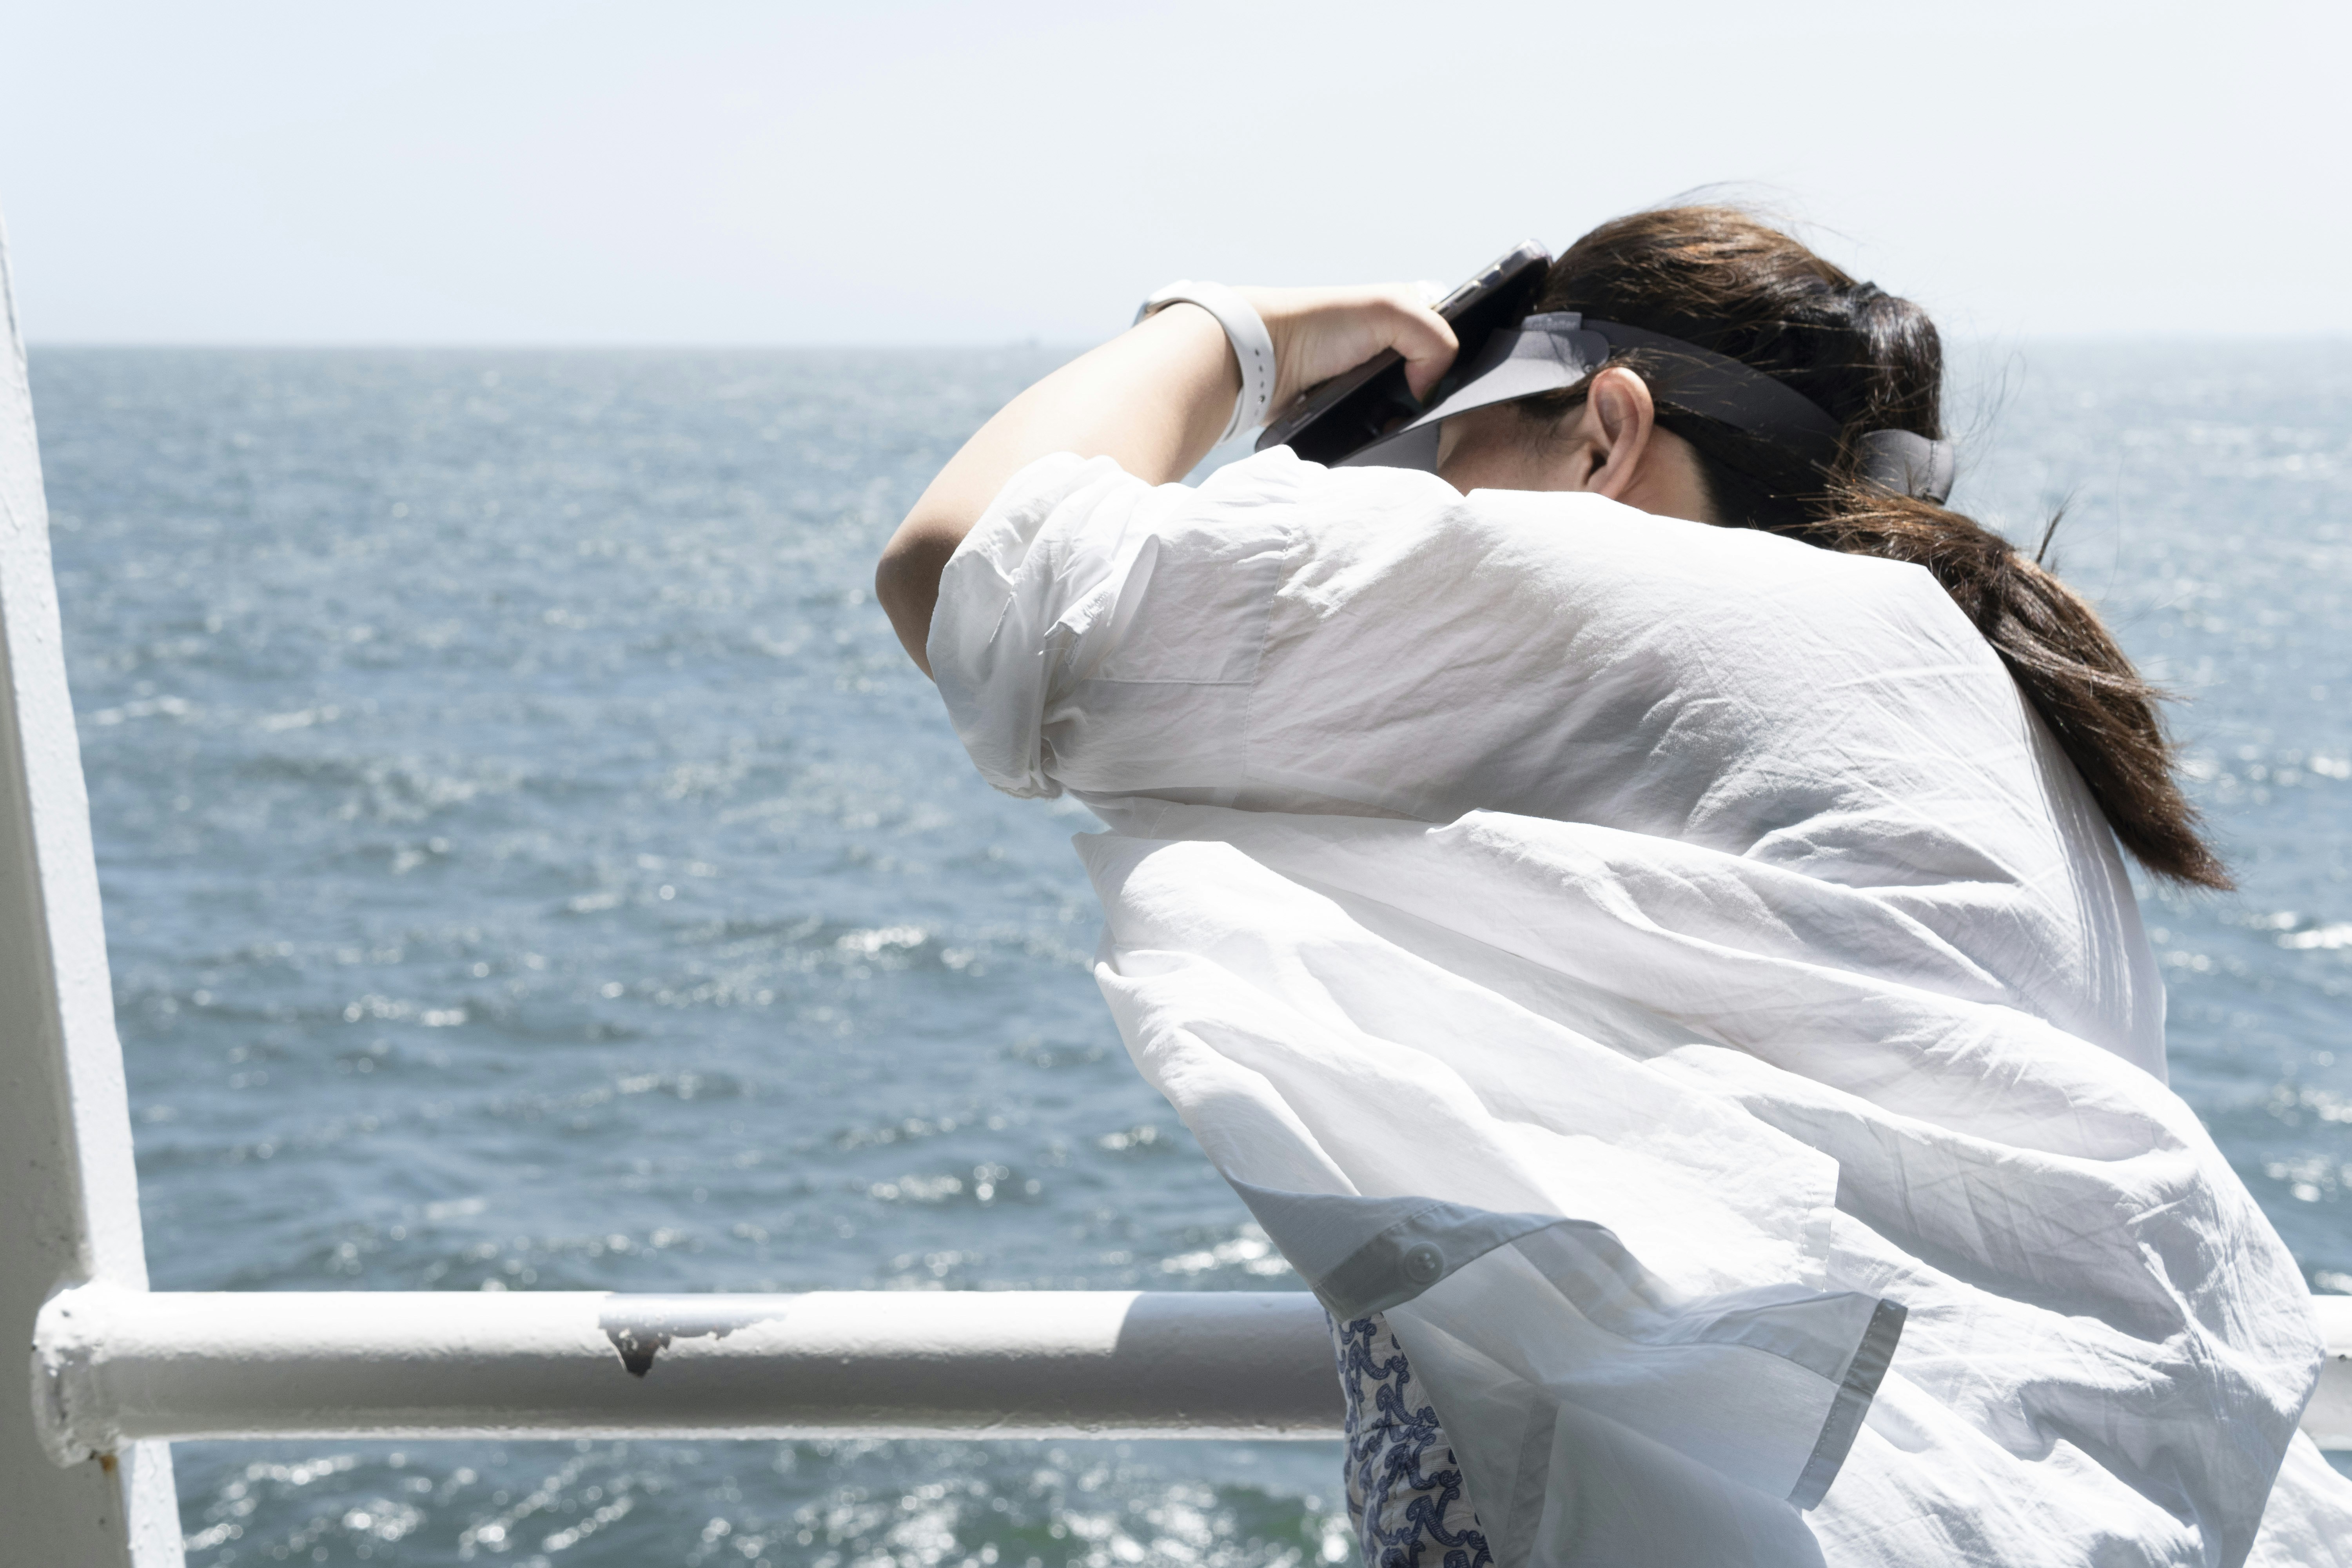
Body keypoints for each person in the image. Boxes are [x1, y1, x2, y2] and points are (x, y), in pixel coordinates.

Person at [875, 207, 2352, 1566]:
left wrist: (1232, 332)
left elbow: (967, 571)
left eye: (1452, 456)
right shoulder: (1985, 716)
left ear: (1605, 432)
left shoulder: (1649, 601)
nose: (1431, 512)